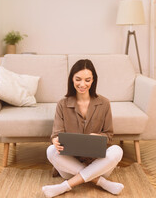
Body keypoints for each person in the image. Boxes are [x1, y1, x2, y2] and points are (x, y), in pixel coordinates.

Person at [42, 59, 124, 197]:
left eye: (87, 80)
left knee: (117, 150)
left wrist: (100, 137)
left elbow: (109, 135)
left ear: (93, 80)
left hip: (98, 164)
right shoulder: (62, 104)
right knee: (50, 150)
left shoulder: (104, 103)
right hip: (70, 166)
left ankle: (64, 186)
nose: (82, 84)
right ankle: (102, 183)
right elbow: (56, 134)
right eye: (78, 79)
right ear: (72, 79)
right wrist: (56, 140)